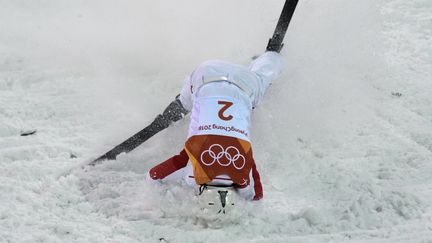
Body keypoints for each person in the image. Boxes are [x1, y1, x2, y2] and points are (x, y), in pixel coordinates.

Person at [148, 50, 283, 201]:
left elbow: (256, 198)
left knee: (262, 79)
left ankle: (272, 55)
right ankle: (177, 108)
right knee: (188, 101)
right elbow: (153, 176)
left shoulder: (243, 166)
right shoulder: (193, 166)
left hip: (246, 81)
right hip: (206, 74)